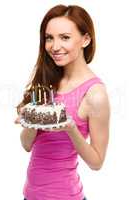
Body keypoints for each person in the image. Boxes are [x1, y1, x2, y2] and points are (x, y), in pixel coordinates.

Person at [15, 4, 110, 200]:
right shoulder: (48, 81)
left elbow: (97, 163)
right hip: (30, 195)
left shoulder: (95, 94)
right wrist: (32, 119)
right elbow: (26, 145)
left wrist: (71, 128)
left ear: (86, 39)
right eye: (49, 38)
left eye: (65, 37)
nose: (54, 46)